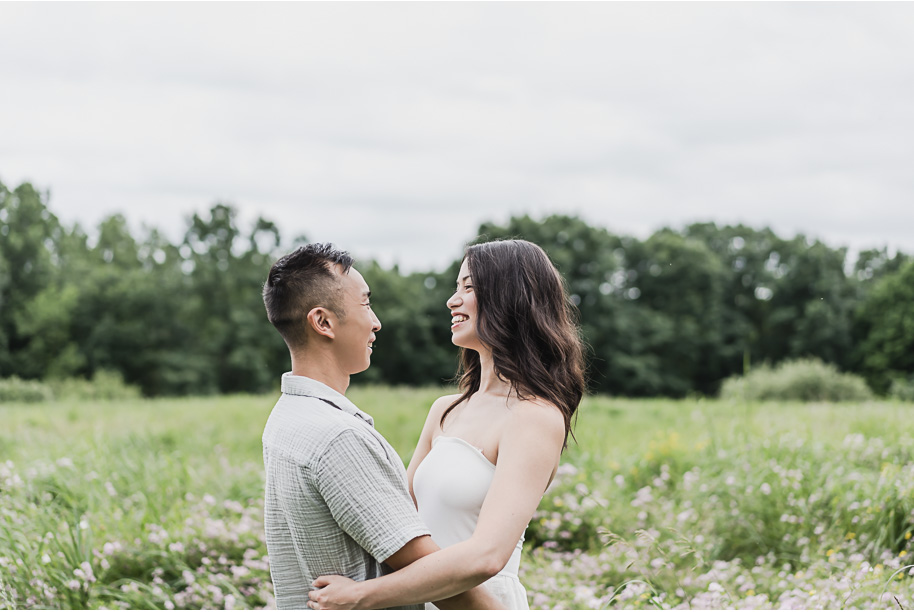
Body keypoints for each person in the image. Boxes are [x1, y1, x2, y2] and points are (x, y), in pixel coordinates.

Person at [308, 239, 586, 610]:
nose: (452, 301)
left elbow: (486, 556)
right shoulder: (444, 411)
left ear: (511, 297)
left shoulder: (534, 417)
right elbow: (397, 522)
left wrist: (362, 595)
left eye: (469, 287)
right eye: (456, 288)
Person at [261, 243, 501, 610]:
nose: (376, 322)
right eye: (366, 304)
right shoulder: (338, 436)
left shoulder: (286, 418)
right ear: (323, 322)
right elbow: (431, 571)